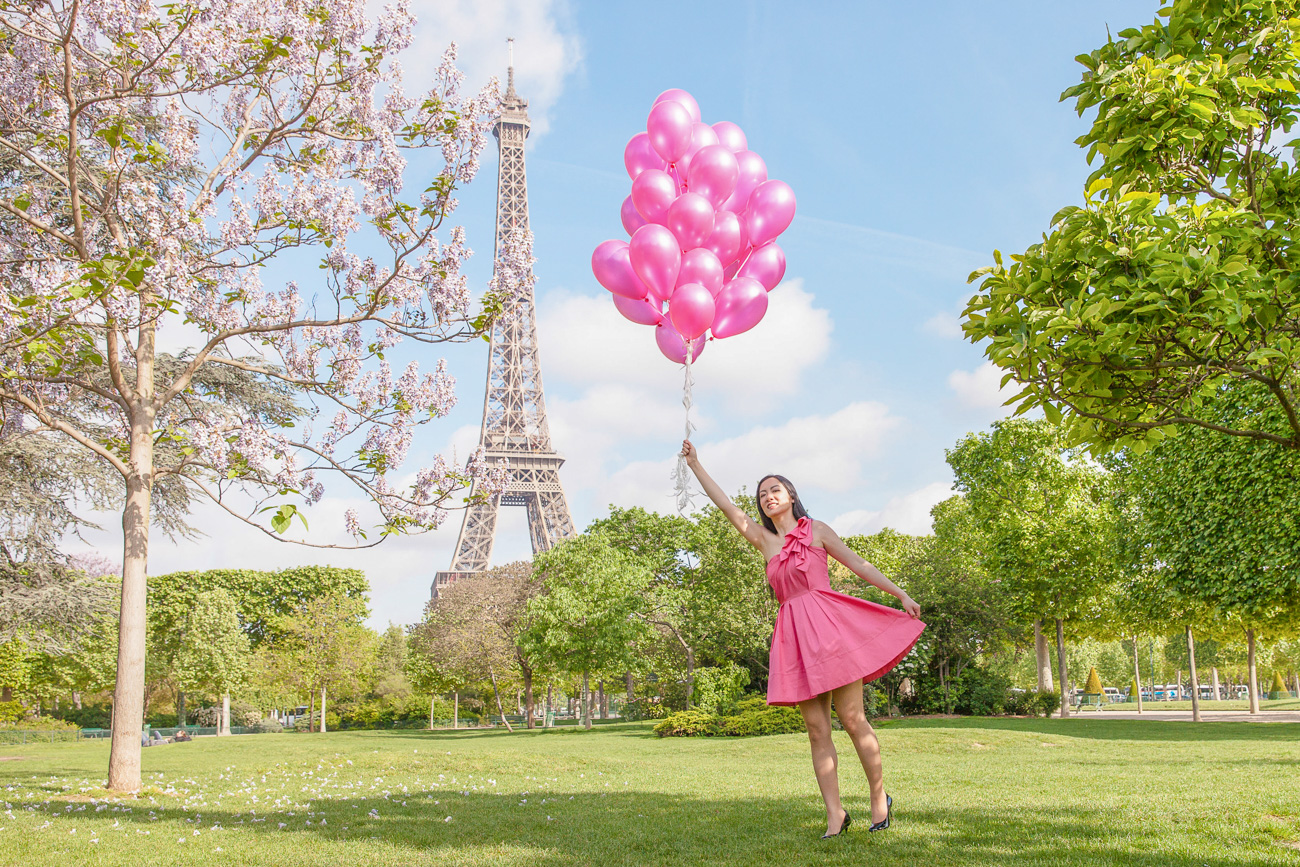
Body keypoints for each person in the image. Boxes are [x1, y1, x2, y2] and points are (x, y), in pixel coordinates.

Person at [681, 441, 925, 838]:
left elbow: (859, 565)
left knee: (852, 718)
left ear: (791, 495)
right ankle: (835, 814)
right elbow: (726, 506)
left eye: (774, 489)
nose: (768, 496)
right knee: (816, 729)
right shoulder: (764, 541)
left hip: (832, 631)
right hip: (794, 639)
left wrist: (900, 594)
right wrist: (695, 465)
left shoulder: (818, 531)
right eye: (762, 494)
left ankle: (879, 798)